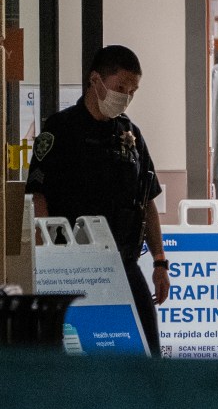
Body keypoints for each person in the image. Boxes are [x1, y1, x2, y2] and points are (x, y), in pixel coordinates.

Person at [26, 45, 169, 356]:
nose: (126, 97)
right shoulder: (60, 131)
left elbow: (148, 200)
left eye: (133, 91)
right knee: (75, 349)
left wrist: (159, 261)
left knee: (147, 348)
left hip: (123, 262)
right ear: (96, 80)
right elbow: (38, 198)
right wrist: (45, 259)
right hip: (73, 265)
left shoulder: (130, 134)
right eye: (120, 88)